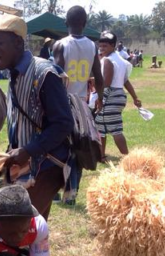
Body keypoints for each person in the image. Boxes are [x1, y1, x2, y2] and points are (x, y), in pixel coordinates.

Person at [0, 14, 73, 219]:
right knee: (35, 228)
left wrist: (28, 150)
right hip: (28, 164)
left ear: (17, 42)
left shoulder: (44, 74)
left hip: (47, 165)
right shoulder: (13, 73)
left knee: (21, 225)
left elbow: (63, 123)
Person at [52, 5, 104, 204]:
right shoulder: (92, 46)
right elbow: (98, 76)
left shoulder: (61, 45)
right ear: (85, 24)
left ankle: (58, 190)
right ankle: (72, 192)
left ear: (66, 22)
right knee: (79, 146)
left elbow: (57, 76)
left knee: (59, 146)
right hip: (82, 104)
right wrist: (99, 98)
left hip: (63, 103)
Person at [95, 31, 142, 160]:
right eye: (100, 46)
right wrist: (135, 97)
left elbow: (106, 83)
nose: (102, 49)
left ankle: (127, 158)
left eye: (105, 46)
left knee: (114, 128)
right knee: (101, 126)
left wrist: (92, 81)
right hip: (119, 95)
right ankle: (101, 155)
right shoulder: (120, 60)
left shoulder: (108, 60)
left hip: (110, 95)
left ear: (113, 46)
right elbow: (125, 81)